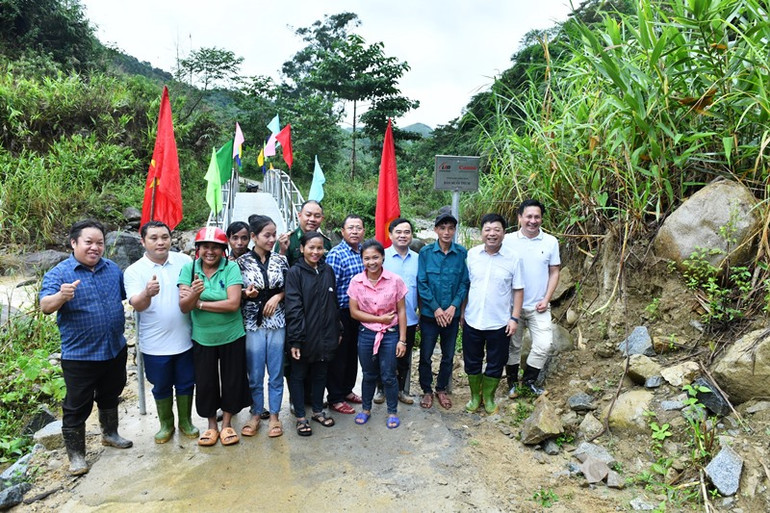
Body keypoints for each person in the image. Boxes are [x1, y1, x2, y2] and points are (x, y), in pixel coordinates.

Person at [39, 220, 132, 476]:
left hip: (114, 348)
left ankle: (110, 433)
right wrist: (61, 296)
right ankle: (77, 456)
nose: (95, 247)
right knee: (77, 405)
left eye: (99, 242)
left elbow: (127, 297)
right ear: (74, 243)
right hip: (81, 356)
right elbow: (45, 306)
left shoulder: (112, 269)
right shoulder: (60, 274)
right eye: (88, 242)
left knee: (111, 394)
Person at [124, 221, 198, 444]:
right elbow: (136, 304)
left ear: (171, 239)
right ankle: (166, 424)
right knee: (161, 385)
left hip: (185, 338)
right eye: (154, 238)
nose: (160, 242)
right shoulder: (134, 270)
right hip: (154, 343)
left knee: (186, 382)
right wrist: (147, 293)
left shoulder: (184, 261)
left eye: (164, 237)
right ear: (143, 241)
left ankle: (186, 421)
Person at [178, 227, 249, 447]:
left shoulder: (231, 268)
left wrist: (199, 301)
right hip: (203, 337)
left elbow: (233, 304)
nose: (210, 252)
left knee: (232, 379)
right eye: (205, 247)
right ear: (197, 249)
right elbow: (183, 307)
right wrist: (194, 297)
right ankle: (211, 426)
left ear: (223, 250)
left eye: (216, 247)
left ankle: (227, 423)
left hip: (231, 334)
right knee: (206, 382)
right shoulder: (189, 270)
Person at [463, 213, 523, 415]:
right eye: (487, 229)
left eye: (497, 230)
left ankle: (488, 398)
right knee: (472, 361)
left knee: (496, 362)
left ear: (504, 233)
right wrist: (462, 312)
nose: (492, 234)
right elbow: (466, 285)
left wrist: (514, 318)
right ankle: (474, 397)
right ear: (481, 233)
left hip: (499, 322)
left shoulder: (513, 258)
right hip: (473, 319)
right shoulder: (471, 255)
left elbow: (518, 290)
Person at [237, 215, 288, 439]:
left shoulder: (281, 260)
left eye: (273, 235)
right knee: (255, 373)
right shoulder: (240, 263)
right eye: (267, 235)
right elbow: (234, 292)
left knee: (276, 372)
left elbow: (291, 287)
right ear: (254, 237)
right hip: (252, 322)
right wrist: (245, 294)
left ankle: (275, 415)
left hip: (277, 321)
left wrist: (277, 297)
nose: (271, 239)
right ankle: (256, 413)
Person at [503, 199, 561, 396]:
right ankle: (511, 383)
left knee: (545, 344)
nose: (533, 221)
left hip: (539, 306)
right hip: (512, 307)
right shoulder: (507, 240)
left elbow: (554, 272)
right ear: (520, 217)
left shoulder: (551, 242)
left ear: (541, 219)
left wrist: (546, 298)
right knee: (513, 346)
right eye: (528, 216)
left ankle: (529, 381)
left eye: (537, 217)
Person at [284, 231, 339, 436]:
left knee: (320, 374)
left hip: (326, 334)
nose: (316, 252)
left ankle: (317, 410)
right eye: (311, 247)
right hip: (304, 335)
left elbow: (333, 303)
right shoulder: (295, 273)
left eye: (319, 248)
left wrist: (338, 328)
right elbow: (293, 307)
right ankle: (300, 417)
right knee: (298, 375)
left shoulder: (327, 270)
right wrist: (296, 340)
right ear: (301, 248)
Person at [348, 240, 407, 429]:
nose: (371, 262)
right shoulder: (356, 282)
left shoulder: (395, 280)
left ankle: (392, 411)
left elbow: (402, 311)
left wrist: (402, 340)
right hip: (366, 334)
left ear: (383, 257)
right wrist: (379, 319)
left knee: (389, 374)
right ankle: (365, 409)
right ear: (362, 260)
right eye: (367, 258)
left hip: (390, 334)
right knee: (368, 374)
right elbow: (354, 312)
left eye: (375, 257)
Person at [416, 213, 469, 410]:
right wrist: (437, 309)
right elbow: (422, 283)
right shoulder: (426, 253)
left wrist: (454, 306)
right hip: (431, 315)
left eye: (451, 228)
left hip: (452, 316)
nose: (447, 232)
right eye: (443, 228)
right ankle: (426, 390)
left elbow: (464, 282)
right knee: (426, 355)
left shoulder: (462, 253)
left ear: (454, 231)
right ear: (436, 230)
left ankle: (441, 389)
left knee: (448, 355)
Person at [374, 218, 419, 405]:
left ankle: (401, 390)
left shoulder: (418, 258)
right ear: (390, 235)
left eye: (407, 232)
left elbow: (422, 287)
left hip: (409, 317)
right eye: (398, 232)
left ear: (411, 235)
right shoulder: (381, 257)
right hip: (385, 319)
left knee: (403, 357)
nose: (403, 235)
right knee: (381, 356)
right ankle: (381, 389)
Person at [325, 214, 366, 414]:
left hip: (358, 313)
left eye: (358, 228)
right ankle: (335, 397)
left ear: (364, 231)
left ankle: (347, 389)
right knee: (339, 356)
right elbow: (330, 289)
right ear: (342, 232)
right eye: (350, 228)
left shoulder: (363, 253)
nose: (355, 231)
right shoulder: (336, 254)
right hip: (341, 311)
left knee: (352, 354)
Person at [277, 200, 332, 266]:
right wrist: (282, 251)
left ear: (322, 219)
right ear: (299, 216)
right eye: (308, 215)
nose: (312, 219)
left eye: (317, 216)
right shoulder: (286, 240)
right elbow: (276, 269)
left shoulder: (325, 242)